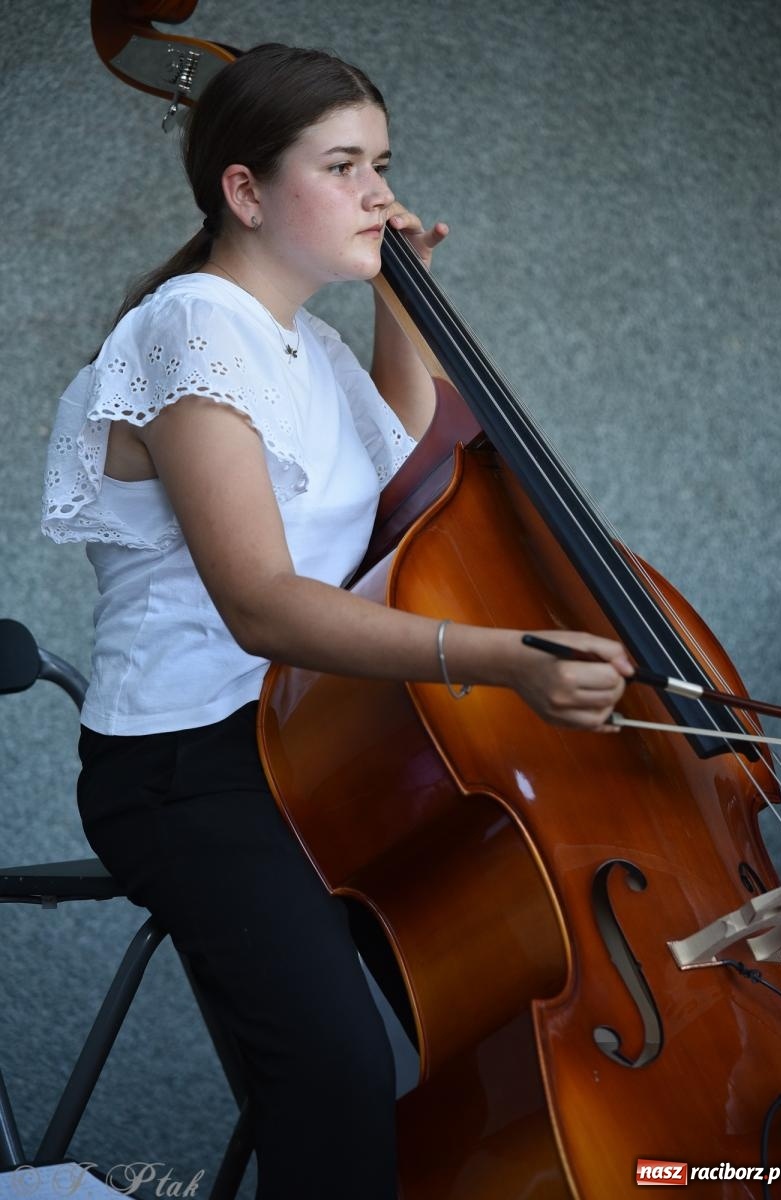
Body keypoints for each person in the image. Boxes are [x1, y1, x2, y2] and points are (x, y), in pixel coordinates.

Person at [42, 42, 632, 1200]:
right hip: (188, 766)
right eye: (344, 165)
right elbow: (262, 603)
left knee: (479, 1020)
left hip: (304, 751)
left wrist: (400, 298)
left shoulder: (299, 341)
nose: (379, 193)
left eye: (385, 166)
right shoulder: (192, 327)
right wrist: (500, 659)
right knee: (335, 1073)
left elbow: (395, 460)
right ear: (246, 190)